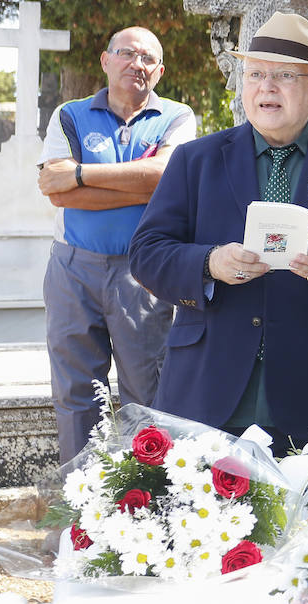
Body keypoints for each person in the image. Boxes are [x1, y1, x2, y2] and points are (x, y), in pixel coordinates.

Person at [128, 13, 308, 452]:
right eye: (256, 74)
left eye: (284, 75)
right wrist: (209, 263)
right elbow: (146, 252)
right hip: (209, 390)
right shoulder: (195, 160)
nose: (267, 86)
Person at [37, 26, 196, 463]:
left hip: (143, 272)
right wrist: (140, 184)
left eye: (147, 58)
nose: (136, 64)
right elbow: (58, 191)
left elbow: (166, 178)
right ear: (106, 61)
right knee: (75, 392)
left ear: (160, 71)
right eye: (126, 53)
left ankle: (146, 506)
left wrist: (83, 174)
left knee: (147, 392)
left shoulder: (178, 117)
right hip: (73, 268)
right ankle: (81, 508)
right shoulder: (69, 114)